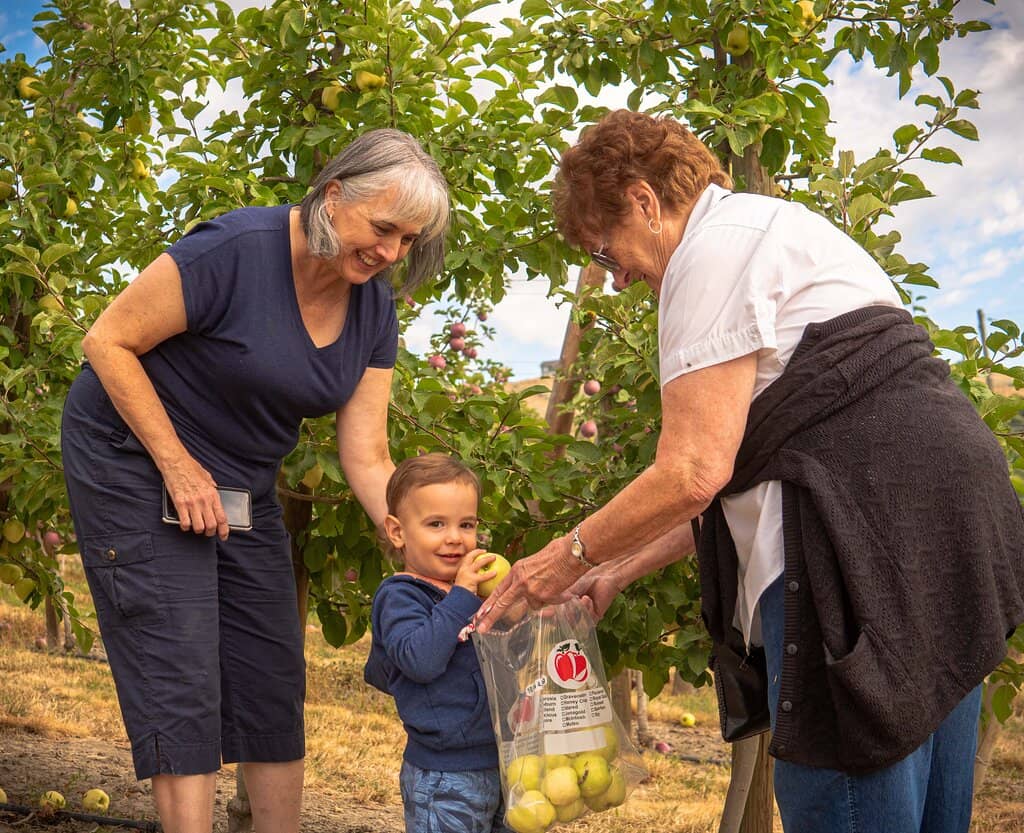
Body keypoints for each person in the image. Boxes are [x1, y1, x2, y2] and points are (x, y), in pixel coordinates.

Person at [475, 110, 1024, 833]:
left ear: (644, 200)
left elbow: (694, 471)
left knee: (848, 777)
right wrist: (614, 570)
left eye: (606, 253)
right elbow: (740, 472)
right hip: (945, 530)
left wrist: (563, 557)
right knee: (925, 799)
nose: (616, 281)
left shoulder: (709, 255)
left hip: (859, 543)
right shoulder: (779, 230)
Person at [60, 128, 450, 833]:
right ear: (335, 196)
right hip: (133, 454)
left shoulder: (373, 307)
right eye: (384, 228)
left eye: (406, 241)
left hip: (239, 480)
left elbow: (367, 451)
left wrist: (414, 537)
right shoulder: (233, 252)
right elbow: (106, 342)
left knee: (271, 672)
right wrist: (177, 467)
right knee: (181, 665)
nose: (391, 252)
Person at [363, 453, 510, 833]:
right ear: (398, 532)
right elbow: (421, 659)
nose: (455, 538)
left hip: (504, 763)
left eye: (466, 524)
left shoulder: (477, 593)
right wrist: (461, 594)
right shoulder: (400, 596)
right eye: (436, 524)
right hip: (444, 775)